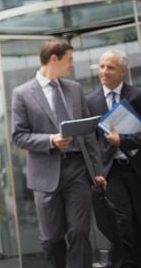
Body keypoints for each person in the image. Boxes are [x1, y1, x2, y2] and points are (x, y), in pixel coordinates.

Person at [11, 38, 106, 268]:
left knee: (79, 231)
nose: (71, 65)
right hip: (45, 174)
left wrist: (97, 171)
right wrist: (51, 140)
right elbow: (18, 136)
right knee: (52, 238)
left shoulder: (73, 89)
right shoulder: (22, 93)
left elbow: (88, 134)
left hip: (77, 170)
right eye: (69, 59)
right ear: (54, 59)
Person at [85, 49, 141, 267]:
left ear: (123, 71)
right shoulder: (90, 102)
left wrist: (123, 140)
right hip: (110, 172)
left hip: (136, 167)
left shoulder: (137, 96)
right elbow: (88, 141)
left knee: (137, 219)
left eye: (110, 67)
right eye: (101, 67)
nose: (104, 72)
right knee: (121, 221)